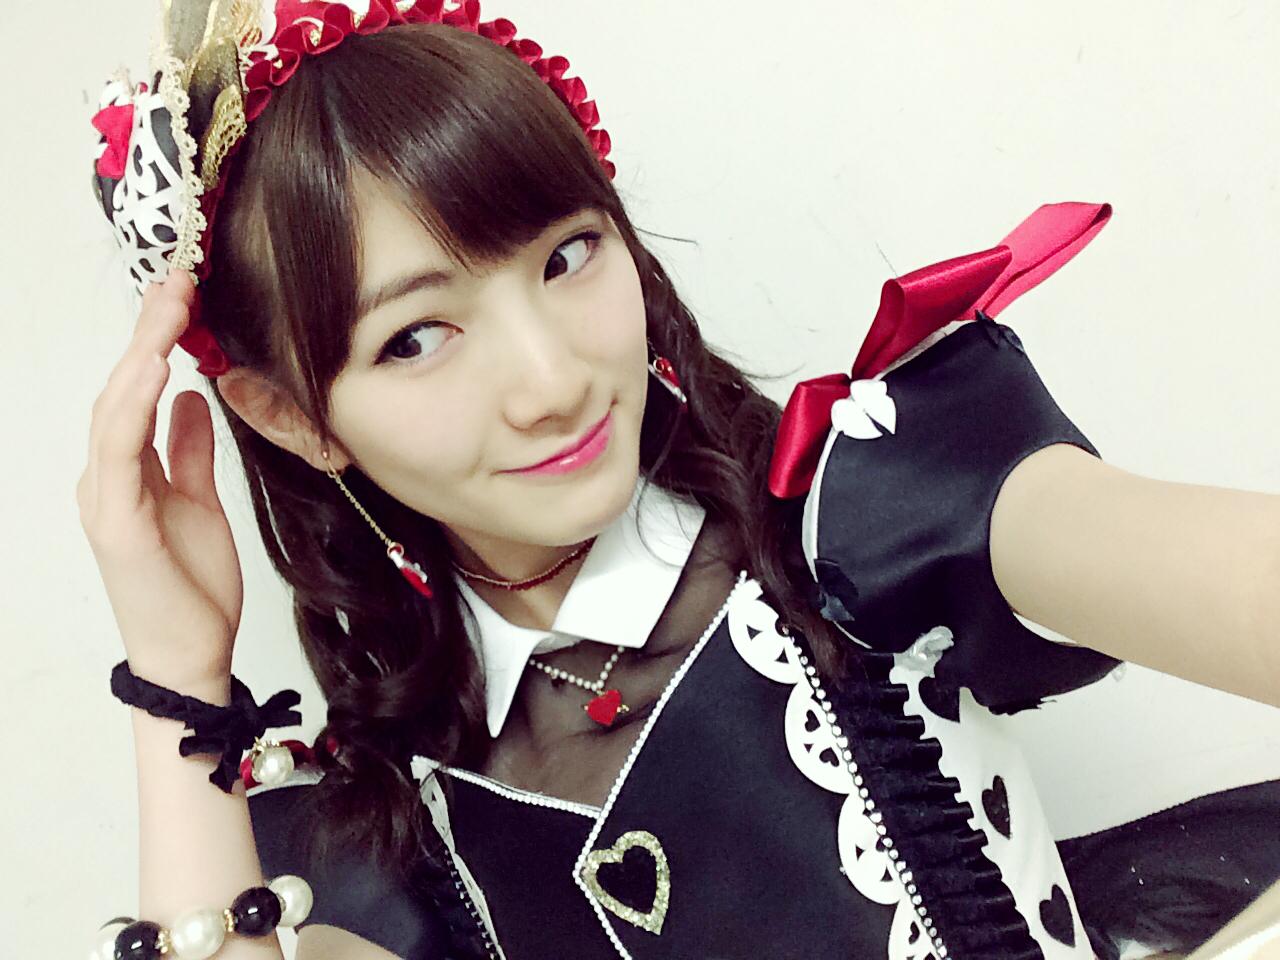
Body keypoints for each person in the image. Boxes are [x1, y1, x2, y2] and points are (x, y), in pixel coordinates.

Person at [81, 2, 1280, 959]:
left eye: (567, 256)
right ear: (294, 418)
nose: (551, 381)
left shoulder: (868, 501)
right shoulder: (392, 827)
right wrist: (176, 674)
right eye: (417, 337)